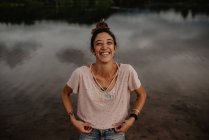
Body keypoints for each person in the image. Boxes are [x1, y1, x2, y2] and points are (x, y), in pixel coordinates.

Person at [61, 19, 147, 140]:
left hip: (116, 132)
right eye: (99, 43)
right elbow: (65, 93)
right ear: (92, 49)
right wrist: (73, 119)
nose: (104, 47)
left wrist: (132, 119)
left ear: (115, 47)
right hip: (88, 132)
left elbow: (142, 94)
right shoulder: (81, 74)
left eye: (109, 42)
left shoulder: (127, 71)